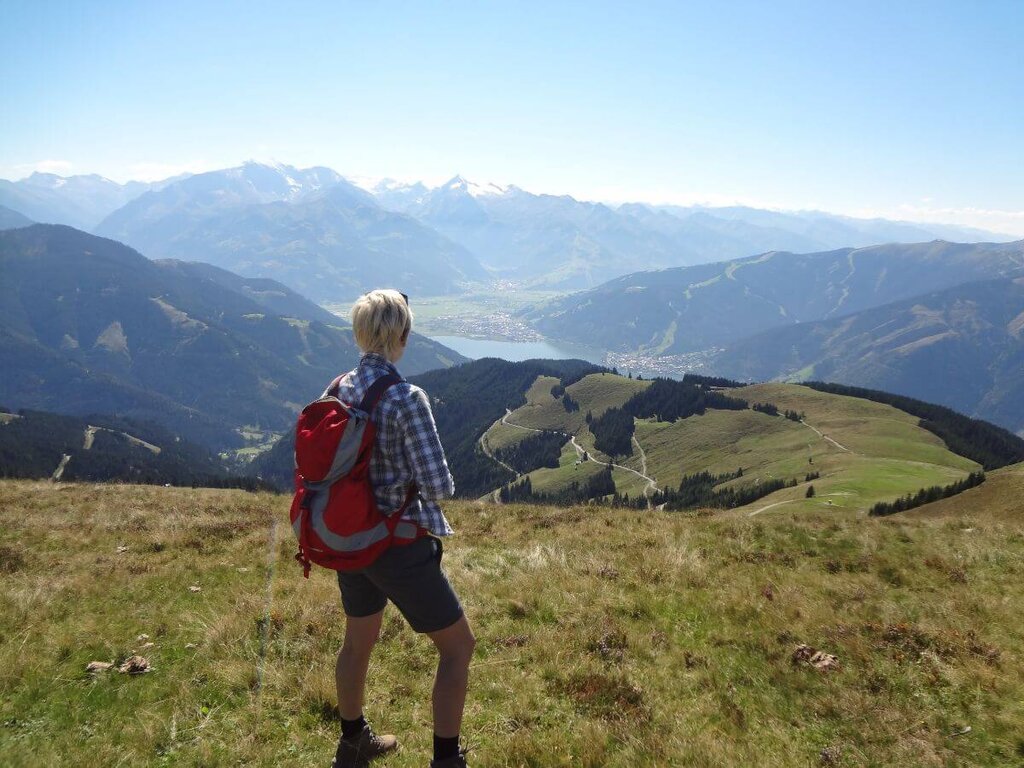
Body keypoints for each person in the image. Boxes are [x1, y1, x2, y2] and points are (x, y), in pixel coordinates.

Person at [330, 289, 475, 768]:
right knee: (458, 648)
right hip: (397, 544)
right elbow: (439, 485)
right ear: (404, 336)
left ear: (359, 332)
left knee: (357, 641)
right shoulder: (406, 398)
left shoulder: (338, 389)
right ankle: (446, 760)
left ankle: (353, 742)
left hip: (351, 539)